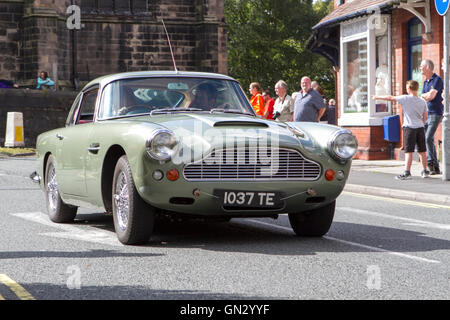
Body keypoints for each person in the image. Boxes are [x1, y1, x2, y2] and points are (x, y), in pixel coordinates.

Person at [372, 80, 429, 180]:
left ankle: (407, 172)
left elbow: (390, 98)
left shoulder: (405, 98)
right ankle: (425, 171)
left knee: (409, 151)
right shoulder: (422, 101)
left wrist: (377, 97)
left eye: (407, 88)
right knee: (422, 151)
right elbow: (425, 116)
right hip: (420, 128)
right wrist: (421, 124)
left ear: (409, 89)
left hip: (409, 128)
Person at [420, 59, 443, 175]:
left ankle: (431, 163)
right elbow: (424, 95)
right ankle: (434, 167)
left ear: (428, 67)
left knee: (428, 137)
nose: (420, 68)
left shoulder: (437, 80)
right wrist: (425, 95)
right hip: (427, 113)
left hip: (436, 112)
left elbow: (431, 96)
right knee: (426, 138)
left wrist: (425, 95)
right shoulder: (425, 82)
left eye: (421, 66)